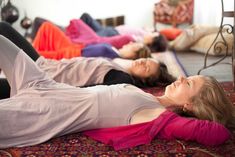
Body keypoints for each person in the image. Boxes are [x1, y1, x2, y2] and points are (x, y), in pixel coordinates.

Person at [0, 35, 234, 149]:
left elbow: (217, 133)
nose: (181, 77)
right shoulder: (150, 97)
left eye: (189, 83)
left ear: (190, 105)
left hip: (48, 111)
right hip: (48, 86)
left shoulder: (157, 115)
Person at [0, 22, 175, 99]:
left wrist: (51, 91)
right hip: (45, 64)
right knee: (4, 29)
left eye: (146, 68)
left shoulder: (123, 79)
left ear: (145, 80)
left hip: (42, 79)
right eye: (146, 60)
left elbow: (88, 92)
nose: (142, 63)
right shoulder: (120, 65)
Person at [33, 21, 151, 60]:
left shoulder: (111, 54)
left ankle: (32, 51)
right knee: (47, 28)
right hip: (74, 47)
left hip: (70, 51)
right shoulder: (114, 52)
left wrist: (38, 56)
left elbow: (70, 56)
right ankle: (33, 49)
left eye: (134, 46)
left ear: (133, 56)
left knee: (46, 27)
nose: (130, 43)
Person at [80, 13, 169, 52]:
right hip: (108, 29)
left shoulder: (140, 43)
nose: (152, 32)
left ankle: (71, 41)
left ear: (153, 40)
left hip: (112, 34)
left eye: (153, 34)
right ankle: (74, 34)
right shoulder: (144, 33)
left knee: (87, 41)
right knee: (86, 16)